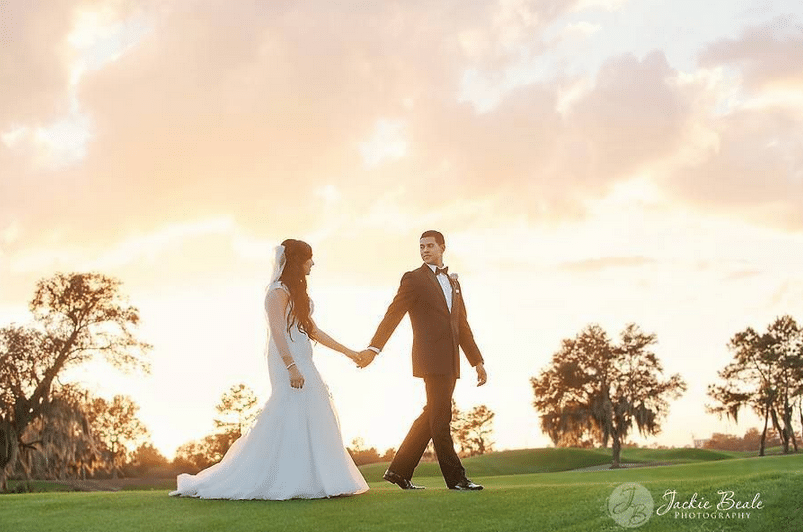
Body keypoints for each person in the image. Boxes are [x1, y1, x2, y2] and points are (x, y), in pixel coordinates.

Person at [170, 239, 369, 500]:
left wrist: (349, 352)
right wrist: (291, 367)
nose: (313, 263)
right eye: (309, 258)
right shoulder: (277, 292)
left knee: (316, 406)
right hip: (287, 361)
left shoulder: (296, 293)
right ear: (298, 261)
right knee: (290, 409)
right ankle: (279, 477)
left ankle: (320, 479)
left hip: (304, 358)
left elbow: (314, 331)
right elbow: (277, 332)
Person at [357, 230, 487, 491]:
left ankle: (399, 470)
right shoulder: (413, 279)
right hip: (430, 359)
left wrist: (477, 361)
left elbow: (461, 325)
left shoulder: (454, 283)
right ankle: (456, 479)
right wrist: (374, 348)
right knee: (441, 419)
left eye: (430, 245)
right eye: (421, 246)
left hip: (451, 360)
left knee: (432, 414)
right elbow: (393, 314)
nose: (425, 250)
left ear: (442, 247)